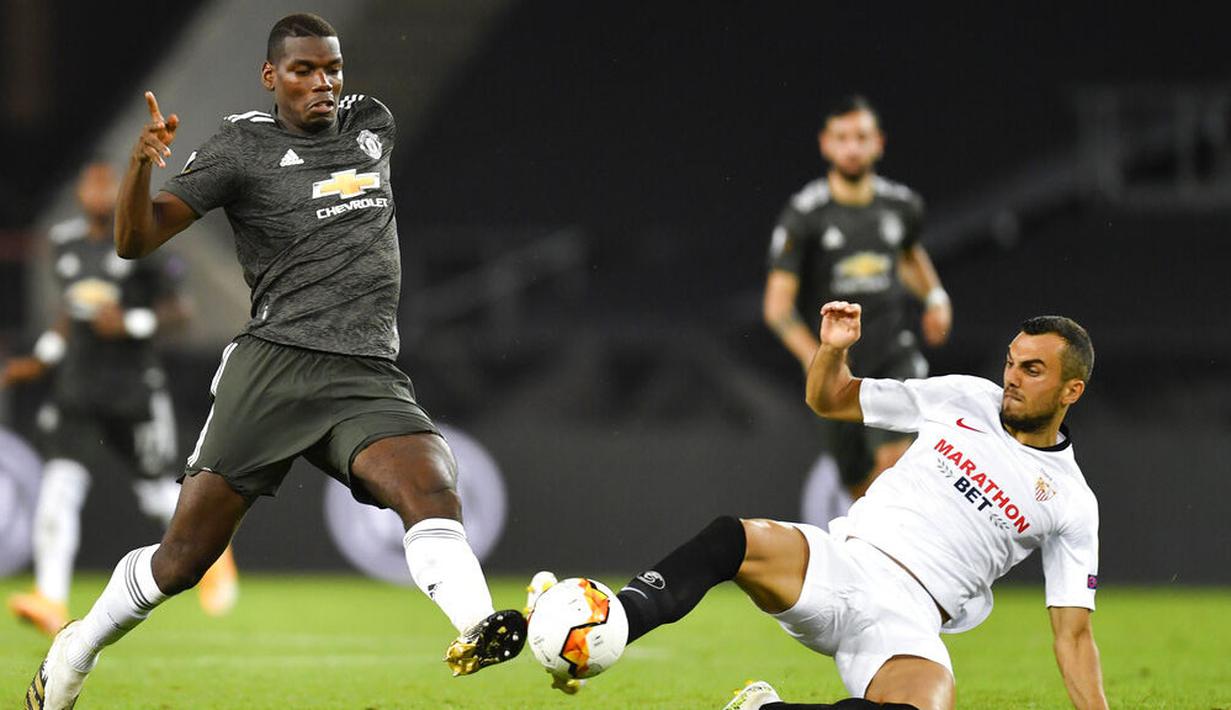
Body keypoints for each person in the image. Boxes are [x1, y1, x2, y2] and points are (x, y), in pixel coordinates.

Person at [25, 14, 524, 709]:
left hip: (364, 370)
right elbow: (137, 240)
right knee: (183, 561)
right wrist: (141, 165)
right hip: (274, 369)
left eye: (331, 69)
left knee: (431, 484)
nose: (322, 83)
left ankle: (477, 625)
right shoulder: (238, 148)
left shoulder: (371, 122)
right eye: (303, 70)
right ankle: (75, 649)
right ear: (270, 77)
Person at [535, 301, 1106, 710]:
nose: (1011, 379)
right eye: (1011, 362)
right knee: (732, 538)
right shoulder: (962, 397)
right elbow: (830, 399)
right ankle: (612, 624)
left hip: (908, 620)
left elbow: (1073, 636)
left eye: (1032, 371)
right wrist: (832, 351)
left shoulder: (1073, 503)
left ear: (1070, 391)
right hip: (842, 562)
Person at [3, 162, 238, 638]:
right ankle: (50, 597)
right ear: (79, 190)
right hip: (80, 387)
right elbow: (70, 314)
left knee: (155, 493)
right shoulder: (65, 241)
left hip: (133, 389)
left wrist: (131, 323)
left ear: (116, 192)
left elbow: (181, 313)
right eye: (90, 183)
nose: (97, 191)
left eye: (106, 184)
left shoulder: (141, 241)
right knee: (59, 487)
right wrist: (43, 359)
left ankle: (215, 556)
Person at [762, 96, 952, 500]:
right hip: (835, 364)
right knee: (859, 486)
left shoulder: (902, 206)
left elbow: (908, 255)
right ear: (825, 145)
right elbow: (777, 307)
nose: (852, 147)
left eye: (861, 137)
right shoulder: (804, 215)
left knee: (892, 462)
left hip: (892, 355)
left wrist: (935, 296)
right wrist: (817, 358)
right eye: (842, 137)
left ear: (878, 143)